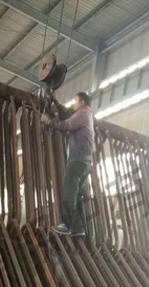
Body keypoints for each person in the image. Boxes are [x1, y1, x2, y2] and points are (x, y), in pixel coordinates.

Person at [41, 91, 95, 236]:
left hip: (78, 160)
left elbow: (65, 125)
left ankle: (67, 226)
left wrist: (48, 120)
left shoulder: (83, 114)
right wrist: (57, 103)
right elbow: (68, 114)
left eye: (76, 100)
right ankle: (79, 228)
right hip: (84, 162)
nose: (74, 103)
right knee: (78, 196)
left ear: (82, 102)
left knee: (68, 194)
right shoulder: (85, 115)